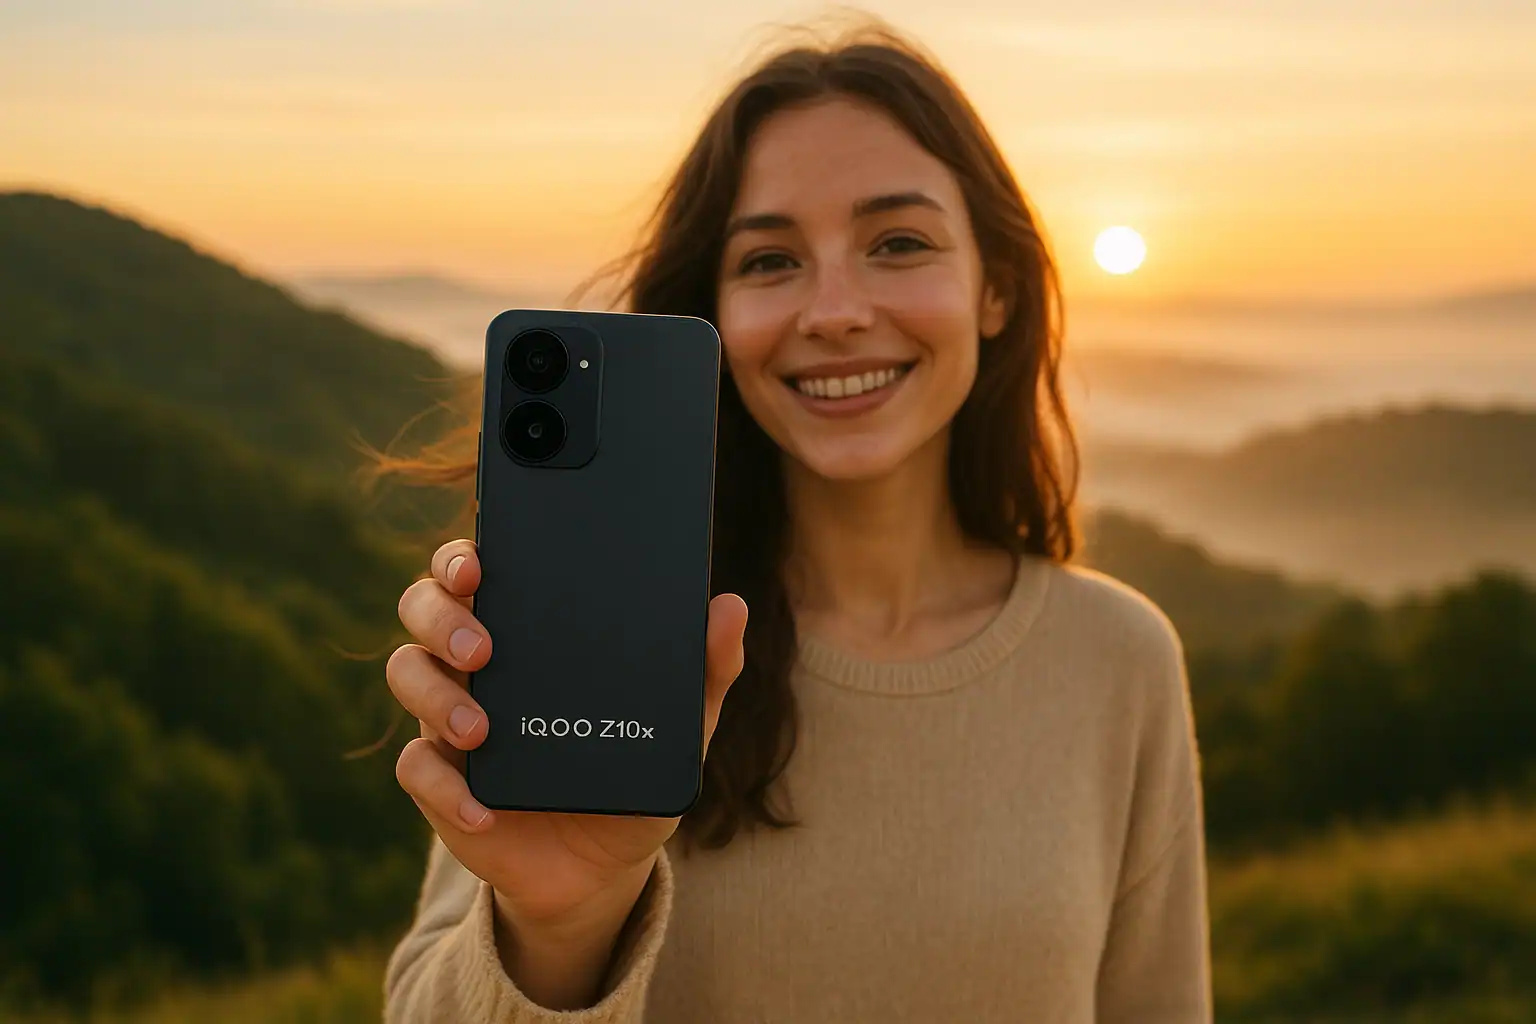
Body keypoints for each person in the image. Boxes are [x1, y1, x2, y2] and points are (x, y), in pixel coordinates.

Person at [379, 21, 1211, 1023]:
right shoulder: (601, 642)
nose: (834, 309)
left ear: (995, 286)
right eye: (771, 261)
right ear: (712, 318)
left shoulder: (1117, 660)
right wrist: (560, 926)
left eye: (897, 242)